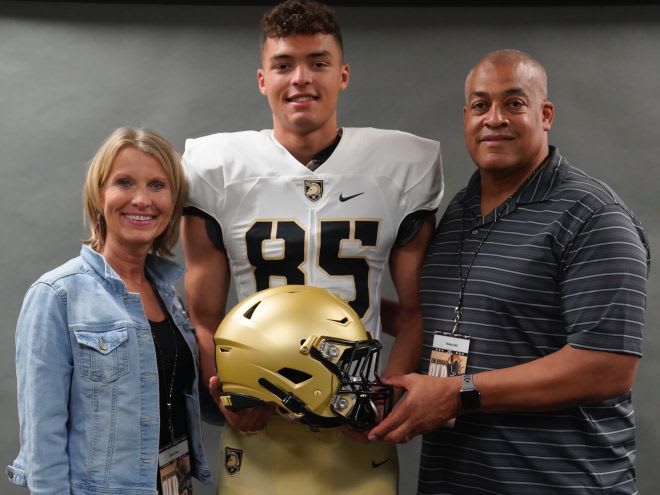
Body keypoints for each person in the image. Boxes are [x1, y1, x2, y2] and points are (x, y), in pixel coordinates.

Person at [181, 1, 443, 493]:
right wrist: (231, 399)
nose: (300, 78)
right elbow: (203, 316)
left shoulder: (400, 164)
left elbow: (415, 312)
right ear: (263, 80)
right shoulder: (215, 169)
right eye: (284, 65)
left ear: (342, 75)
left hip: (357, 423)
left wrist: (384, 395)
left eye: (317, 63)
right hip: (260, 417)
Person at [369, 49, 650, 494]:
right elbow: (432, 316)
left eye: (513, 103)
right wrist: (349, 303)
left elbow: (607, 366)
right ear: (466, 117)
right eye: (481, 105)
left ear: (545, 114)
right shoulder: (459, 210)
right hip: (455, 480)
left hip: (560, 483)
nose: (494, 118)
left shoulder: (593, 216)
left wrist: (457, 393)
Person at [7, 128, 212, 494]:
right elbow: (43, 444)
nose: (141, 199)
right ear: (99, 195)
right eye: (124, 182)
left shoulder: (169, 297)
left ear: (173, 201)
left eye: (157, 185)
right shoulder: (57, 295)